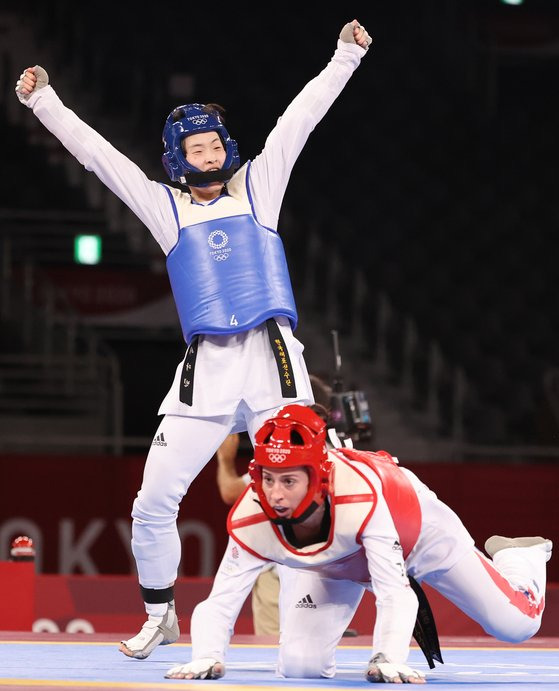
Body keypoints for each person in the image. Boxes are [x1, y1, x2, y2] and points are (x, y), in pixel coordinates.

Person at [15, 20, 372, 659]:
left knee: (314, 488)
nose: (210, 154)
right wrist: (45, 103)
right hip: (205, 369)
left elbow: (301, 118)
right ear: (180, 159)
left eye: (215, 144)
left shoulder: (261, 190)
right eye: (199, 148)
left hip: (273, 366)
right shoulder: (166, 209)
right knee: (152, 499)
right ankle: (159, 613)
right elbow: (100, 158)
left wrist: (345, 56)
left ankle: (320, 615)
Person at [165, 404, 552, 683]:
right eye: (268, 478)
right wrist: (207, 656)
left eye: (288, 481)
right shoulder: (252, 515)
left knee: (516, 626)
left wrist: (387, 657)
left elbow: (397, 593)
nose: (276, 495)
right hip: (338, 563)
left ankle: (521, 555)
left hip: (420, 535)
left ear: (317, 477)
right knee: (301, 666)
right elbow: (221, 601)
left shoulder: (358, 501)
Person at [215, 374, 335, 636]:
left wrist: (224, 460)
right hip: (329, 569)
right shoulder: (338, 452)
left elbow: (230, 492)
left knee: (277, 655)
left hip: (282, 569)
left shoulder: (292, 453)